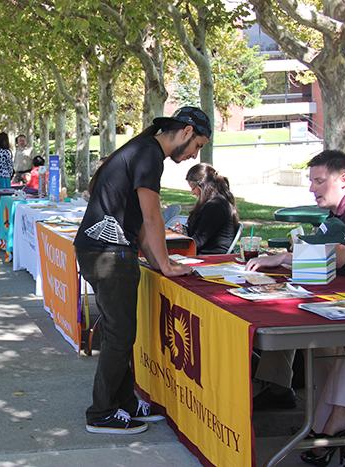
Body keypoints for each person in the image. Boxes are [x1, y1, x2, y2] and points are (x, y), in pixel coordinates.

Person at [73, 106, 211, 434]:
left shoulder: (142, 150)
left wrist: (156, 259)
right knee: (120, 335)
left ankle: (125, 401)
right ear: (187, 131)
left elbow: (135, 222)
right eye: (198, 145)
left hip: (104, 251)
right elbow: (152, 218)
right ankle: (102, 412)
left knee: (121, 332)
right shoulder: (149, 154)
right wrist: (164, 263)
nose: (194, 155)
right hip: (107, 255)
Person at [246, 150, 345, 413]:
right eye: (311, 181)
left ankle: (328, 422)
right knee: (284, 316)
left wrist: (283, 257)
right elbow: (319, 255)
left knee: (321, 342)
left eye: (319, 181)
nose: (312, 189)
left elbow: (334, 257)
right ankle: (299, 403)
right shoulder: (338, 214)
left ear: (343, 180)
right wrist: (282, 259)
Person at [184, 163, 239, 254]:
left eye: (193, 188)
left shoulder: (216, 206)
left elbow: (199, 240)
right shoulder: (212, 203)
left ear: (202, 186)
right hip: (204, 253)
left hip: (212, 256)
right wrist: (184, 230)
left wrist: (177, 243)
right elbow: (199, 233)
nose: (192, 192)